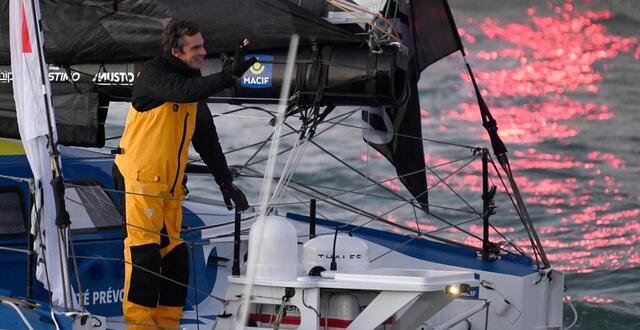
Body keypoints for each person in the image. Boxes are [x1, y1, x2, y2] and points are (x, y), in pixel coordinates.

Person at [112, 19, 254, 329]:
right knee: (145, 256)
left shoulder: (192, 82)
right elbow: (182, 91)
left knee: (175, 258)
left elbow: (205, 135)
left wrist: (224, 181)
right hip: (139, 179)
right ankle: (139, 326)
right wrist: (229, 75)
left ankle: (168, 324)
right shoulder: (154, 75)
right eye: (196, 48)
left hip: (170, 185)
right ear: (176, 51)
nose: (204, 52)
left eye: (203, 45)